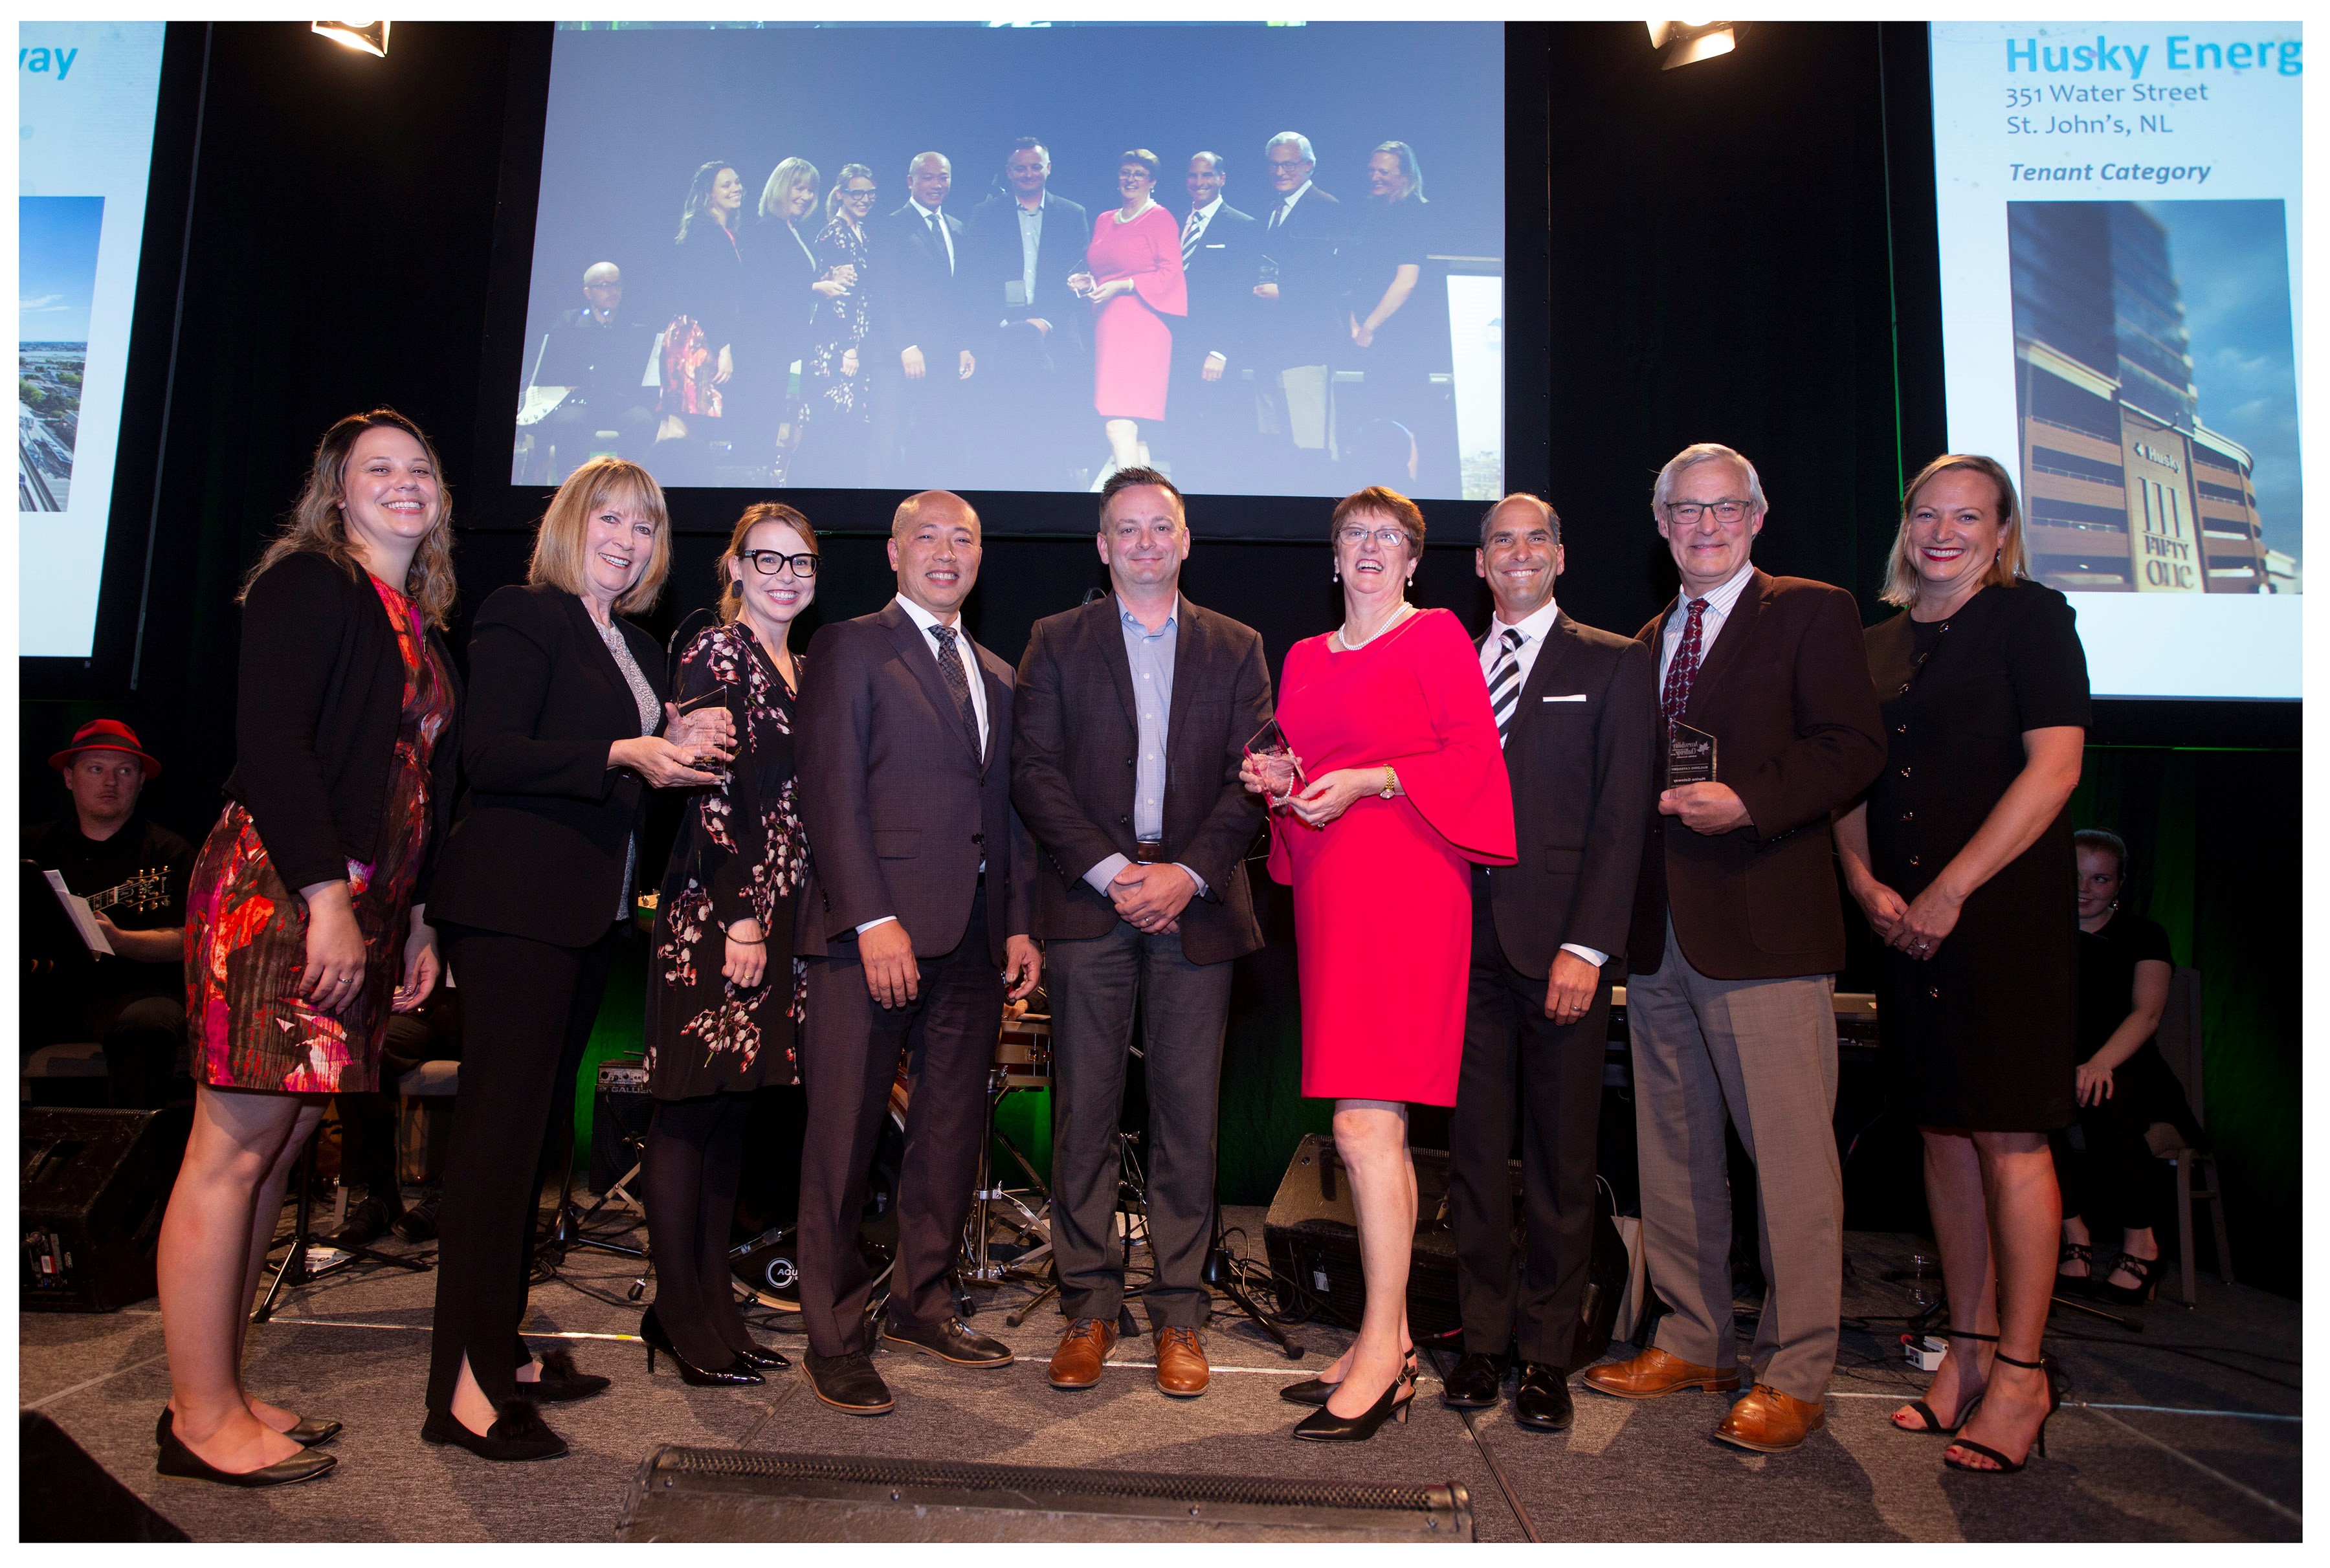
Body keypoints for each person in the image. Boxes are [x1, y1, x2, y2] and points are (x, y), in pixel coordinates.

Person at [156, 408, 461, 1487]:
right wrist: (328, 900)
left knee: (277, 1150)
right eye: (378, 467)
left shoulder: (411, 618)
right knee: (230, 1149)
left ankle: (222, 1387)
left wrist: (414, 920)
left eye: (419, 468)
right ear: (337, 490)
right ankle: (198, 1417)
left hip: (360, 903)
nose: (403, 481)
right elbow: (274, 746)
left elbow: (412, 789)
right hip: (282, 888)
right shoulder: (307, 580)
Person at [422, 457, 735, 1462]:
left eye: (645, 528)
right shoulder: (525, 612)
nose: (627, 540)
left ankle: (501, 1344)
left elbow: (634, 760)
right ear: (570, 522)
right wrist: (622, 750)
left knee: (538, 1149)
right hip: (512, 909)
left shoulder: (633, 641)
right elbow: (491, 753)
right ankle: (459, 1390)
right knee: (494, 1153)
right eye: (610, 519)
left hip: (583, 917)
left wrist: (676, 738)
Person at [1582, 442, 1885, 1456]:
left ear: (1757, 517)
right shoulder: (1645, 636)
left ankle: (1798, 1370)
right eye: (1685, 510)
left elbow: (1853, 746)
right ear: (1661, 524)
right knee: (1672, 1155)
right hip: (1659, 933)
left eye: (1725, 508)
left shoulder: (1812, 609)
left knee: (1792, 1164)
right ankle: (1696, 1337)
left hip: (1765, 931)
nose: (1705, 526)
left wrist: (1749, 801)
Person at [1237, 486, 1514, 1441]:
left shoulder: (1436, 635)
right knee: (1369, 1128)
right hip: (1329, 893)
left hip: (1405, 886)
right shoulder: (1308, 658)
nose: (1368, 547)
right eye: (1353, 534)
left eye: (1386, 536)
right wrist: (1277, 783)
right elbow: (1300, 770)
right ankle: (1380, 1339)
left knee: (1362, 1126)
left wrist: (1374, 776)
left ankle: (1386, 1348)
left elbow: (1473, 757)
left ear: (1412, 559)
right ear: (1333, 557)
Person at [1835, 453, 2088, 1475]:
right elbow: (1846, 774)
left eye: (1967, 516)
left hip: (2001, 917)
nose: (1943, 532)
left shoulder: (2031, 618)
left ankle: (2025, 1371)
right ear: (1906, 528)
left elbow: (2057, 766)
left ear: (2001, 529)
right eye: (1926, 515)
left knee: (2009, 1136)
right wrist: (1863, 883)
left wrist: (1951, 889)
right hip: (1899, 922)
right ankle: (1969, 1353)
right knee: (1943, 1133)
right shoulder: (1876, 639)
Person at [1010, 467, 1274, 1397]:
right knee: (1084, 1114)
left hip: (1196, 904)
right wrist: (1115, 872)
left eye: (1161, 527)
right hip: (1092, 902)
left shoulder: (1238, 647)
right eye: (1128, 529)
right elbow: (1034, 772)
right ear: (1102, 545)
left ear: (1187, 538)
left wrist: (1185, 872)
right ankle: (1087, 1304)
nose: (1146, 542)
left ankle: (1180, 1314)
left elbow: (1255, 776)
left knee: (1185, 1121)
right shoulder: (1055, 640)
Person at [793, 491, 1040, 1417]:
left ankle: (922, 1300)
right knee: (843, 1140)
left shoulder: (998, 671)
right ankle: (832, 1331)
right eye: (928, 536)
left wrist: (1018, 922)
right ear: (894, 551)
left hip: (973, 942)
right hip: (872, 940)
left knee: (947, 1134)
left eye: (964, 538)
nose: (946, 551)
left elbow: (1006, 816)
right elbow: (828, 791)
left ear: (981, 556)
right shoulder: (852, 647)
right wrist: (871, 917)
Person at [1444, 496, 1656, 1433]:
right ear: (1481, 562)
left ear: (1560, 556)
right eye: (1502, 540)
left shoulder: (1612, 661)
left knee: (1565, 1164)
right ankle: (1481, 1341)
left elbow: (1623, 819)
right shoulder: (1445, 660)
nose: (1519, 552)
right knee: (1476, 1158)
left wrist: (1588, 944)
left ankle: (1546, 1353)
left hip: (1561, 950)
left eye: (1536, 538)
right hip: (1457, 947)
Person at [641, 502, 819, 1385]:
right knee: (687, 1117)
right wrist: (742, 914)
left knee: (728, 1119)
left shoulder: (802, 665)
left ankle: (712, 1303)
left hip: (780, 923)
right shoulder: (716, 649)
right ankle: (678, 1311)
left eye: (801, 563)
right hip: (720, 915)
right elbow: (710, 782)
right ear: (736, 567)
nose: (786, 575)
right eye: (769, 559)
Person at [2051, 828, 2195, 1306]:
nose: (2086, 888)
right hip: (2058, 1069)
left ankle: (2143, 1244)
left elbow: (2147, 1014)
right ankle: (2075, 1236)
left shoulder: (2143, 934)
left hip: (2128, 1068)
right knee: (2022, 1109)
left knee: (2104, 1097)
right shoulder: (2039, 929)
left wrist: (2098, 1063)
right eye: (2075, 876)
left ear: (2119, 884)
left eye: (2100, 878)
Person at [24, 720, 195, 1109]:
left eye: (124, 771)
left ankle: (130, 1156)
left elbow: (193, 939)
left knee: (151, 1021)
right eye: (95, 769)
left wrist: (120, 940)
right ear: (69, 778)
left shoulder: (170, 853)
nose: (110, 782)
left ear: (140, 782)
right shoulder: (29, 845)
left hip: (131, 992)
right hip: (44, 991)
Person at [964, 138, 1090, 489]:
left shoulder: (1072, 213)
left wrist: (1045, 321)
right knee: (1002, 425)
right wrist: (1004, 323)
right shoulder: (986, 213)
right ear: (1009, 173)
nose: (1029, 173)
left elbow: (1078, 276)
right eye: (1021, 168)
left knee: (1052, 426)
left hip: (1054, 336)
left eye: (1036, 166)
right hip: (999, 335)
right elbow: (973, 277)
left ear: (1048, 169)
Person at [1069, 150, 1186, 491]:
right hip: (1109, 327)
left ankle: (1128, 500)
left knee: (1118, 424)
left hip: (1143, 326)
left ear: (1152, 181)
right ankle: (1148, 501)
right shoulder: (1105, 219)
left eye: (1139, 173)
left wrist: (1123, 285)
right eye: (1125, 172)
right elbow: (1102, 271)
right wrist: (1088, 284)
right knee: (1130, 428)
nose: (1131, 179)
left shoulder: (1160, 218)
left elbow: (1170, 273)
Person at [1247, 132, 1346, 474]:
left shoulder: (1325, 207)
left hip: (1306, 345)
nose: (1280, 171)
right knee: (1276, 443)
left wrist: (1282, 291)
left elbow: (1331, 276)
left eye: (1288, 164)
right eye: (1274, 165)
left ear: (1308, 165)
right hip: (1270, 346)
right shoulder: (1271, 209)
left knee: (1309, 443)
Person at [878, 153, 977, 483]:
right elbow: (884, 292)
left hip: (946, 358)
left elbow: (960, 296)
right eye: (928, 177)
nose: (937, 184)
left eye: (943, 177)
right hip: (907, 358)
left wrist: (964, 345)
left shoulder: (957, 228)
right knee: (898, 438)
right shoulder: (891, 225)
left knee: (941, 436)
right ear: (910, 181)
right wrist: (905, 345)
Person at [1162, 151, 1258, 492]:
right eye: (1193, 176)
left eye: (1207, 176)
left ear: (1222, 178)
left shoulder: (1242, 225)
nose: (1199, 182)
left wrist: (1220, 350)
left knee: (1214, 432)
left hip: (1212, 353)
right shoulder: (1173, 222)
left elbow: (1238, 297)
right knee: (1178, 430)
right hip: (1174, 348)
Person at [746, 159, 845, 478]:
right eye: (798, 187)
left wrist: (827, 277)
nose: (804, 195)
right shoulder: (765, 230)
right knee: (762, 422)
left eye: (810, 190)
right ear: (781, 187)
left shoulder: (793, 230)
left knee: (780, 417)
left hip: (788, 344)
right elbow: (765, 286)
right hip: (766, 345)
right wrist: (816, 286)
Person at [1340, 143, 1434, 455]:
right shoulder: (1375, 212)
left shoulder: (1414, 212)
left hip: (1400, 335)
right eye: (1372, 170)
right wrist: (1354, 319)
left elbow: (1406, 282)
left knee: (1402, 414)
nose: (1375, 177)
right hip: (1370, 333)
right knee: (1375, 416)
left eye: (1384, 172)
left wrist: (1370, 325)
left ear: (1405, 174)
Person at [656, 162, 748, 476]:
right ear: (708, 194)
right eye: (726, 185)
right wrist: (724, 348)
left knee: (677, 420)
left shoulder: (715, 231)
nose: (735, 188)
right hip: (696, 338)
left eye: (737, 182)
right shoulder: (707, 234)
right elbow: (710, 296)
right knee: (683, 422)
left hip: (689, 334)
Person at [792, 165, 880, 489]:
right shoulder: (835, 233)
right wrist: (849, 348)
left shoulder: (862, 232)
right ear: (841, 193)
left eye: (870, 193)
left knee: (848, 424)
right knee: (829, 422)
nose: (864, 199)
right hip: (835, 346)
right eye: (857, 192)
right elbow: (839, 297)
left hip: (854, 343)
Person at [534, 263, 658, 472]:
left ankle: (631, 486)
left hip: (620, 403)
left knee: (642, 420)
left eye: (617, 285)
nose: (613, 291)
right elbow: (552, 370)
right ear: (587, 292)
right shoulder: (569, 322)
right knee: (569, 421)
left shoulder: (635, 325)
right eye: (604, 286)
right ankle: (573, 486)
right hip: (581, 402)